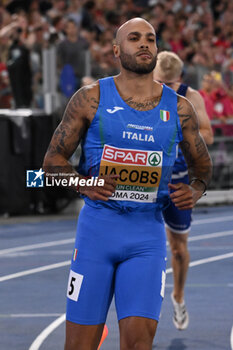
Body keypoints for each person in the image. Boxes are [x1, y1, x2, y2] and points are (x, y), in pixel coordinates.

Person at [43, 18, 212, 350]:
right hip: (96, 234)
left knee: (138, 344)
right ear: (117, 50)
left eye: (150, 38)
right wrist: (83, 184)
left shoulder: (180, 109)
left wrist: (195, 190)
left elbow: (202, 167)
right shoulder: (90, 98)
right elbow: (50, 165)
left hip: (146, 238)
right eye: (134, 38)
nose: (144, 43)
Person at [153, 51, 214, 330]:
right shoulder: (140, 90)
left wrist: (180, 131)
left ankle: (178, 296)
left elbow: (209, 135)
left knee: (178, 249)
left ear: (178, 80)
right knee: (141, 244)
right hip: (146, 181)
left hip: (178, 181)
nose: (163, 88)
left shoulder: (191, 97)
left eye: (169, 84)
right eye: (159, 83)